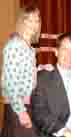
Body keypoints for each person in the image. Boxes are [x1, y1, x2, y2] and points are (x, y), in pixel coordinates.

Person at [1, 3, 41, 137]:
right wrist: (21, 112)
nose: (33, 24)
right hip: (18, 106)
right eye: (29, 19)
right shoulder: (15, 45)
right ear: (21, 21)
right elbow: (9, 82)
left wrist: (39, 69)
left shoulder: (29, 48)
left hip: (27, 105)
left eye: (36, 19)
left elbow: (23, 74)